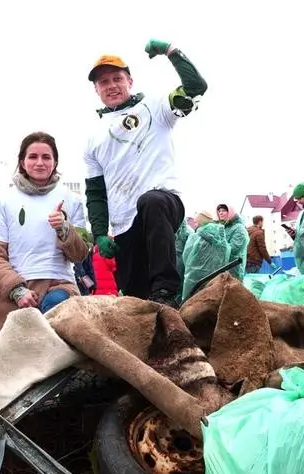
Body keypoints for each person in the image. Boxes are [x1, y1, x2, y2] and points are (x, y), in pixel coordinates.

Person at [83, 39, 208, 308]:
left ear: (130, 80)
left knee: (150, 200)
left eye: (117, 78)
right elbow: (95, 191)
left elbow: (196, 87)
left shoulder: (156, 105)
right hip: (124, 224)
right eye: (104, 82)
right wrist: (100, 233)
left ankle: (166, 289)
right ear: (96, 89)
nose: (112, 85)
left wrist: (171, 51)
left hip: (163, 205)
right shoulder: (93, 138)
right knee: (134, 301)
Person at [0, 132, 90, 336]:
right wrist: (17, 290)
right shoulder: (4, 200)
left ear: (55, 162)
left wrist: (64, 229)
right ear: (22, 162)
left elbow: (80, 254)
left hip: (59, 284)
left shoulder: (72, 199)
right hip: (17, 291)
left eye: (46, 157)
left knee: (54, 320)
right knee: (15, 359)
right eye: (33, 156)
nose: (39, 163)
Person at [217, 204, 249, 280]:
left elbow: (233, 250)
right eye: (219, 211)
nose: (220, 213)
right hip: (222, 269)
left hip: (234, 268)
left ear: (230, 212)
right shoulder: (222, 227)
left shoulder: (239, 228)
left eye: (224, 210)